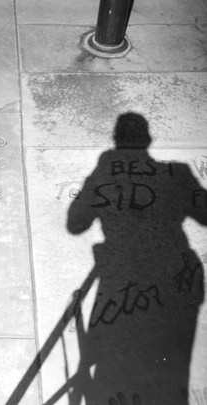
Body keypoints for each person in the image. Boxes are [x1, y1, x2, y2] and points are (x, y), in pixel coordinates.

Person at [67, 112, 207, 404]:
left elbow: (76, 222)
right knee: (168, 375)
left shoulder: (107, 175)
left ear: (117, 143)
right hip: (176, 278)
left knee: (118, 372)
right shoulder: (177, 174)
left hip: (127, 282)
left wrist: (99, 177)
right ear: (147, 140)